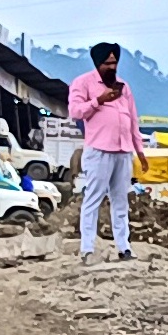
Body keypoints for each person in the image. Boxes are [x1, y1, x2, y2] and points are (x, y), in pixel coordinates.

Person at [68, 41, 144, 261]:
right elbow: (75, 111)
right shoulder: (83, 83)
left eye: (115, 63)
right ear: (97, 63)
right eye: (107, 63)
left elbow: (133, 121)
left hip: (123, 151)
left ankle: (124, 247)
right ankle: (87, 249)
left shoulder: (124, 87)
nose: (112, 67)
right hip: (99, 150)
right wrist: (99, 100)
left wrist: (140, 152)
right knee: (93, 198)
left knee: (121, 200)